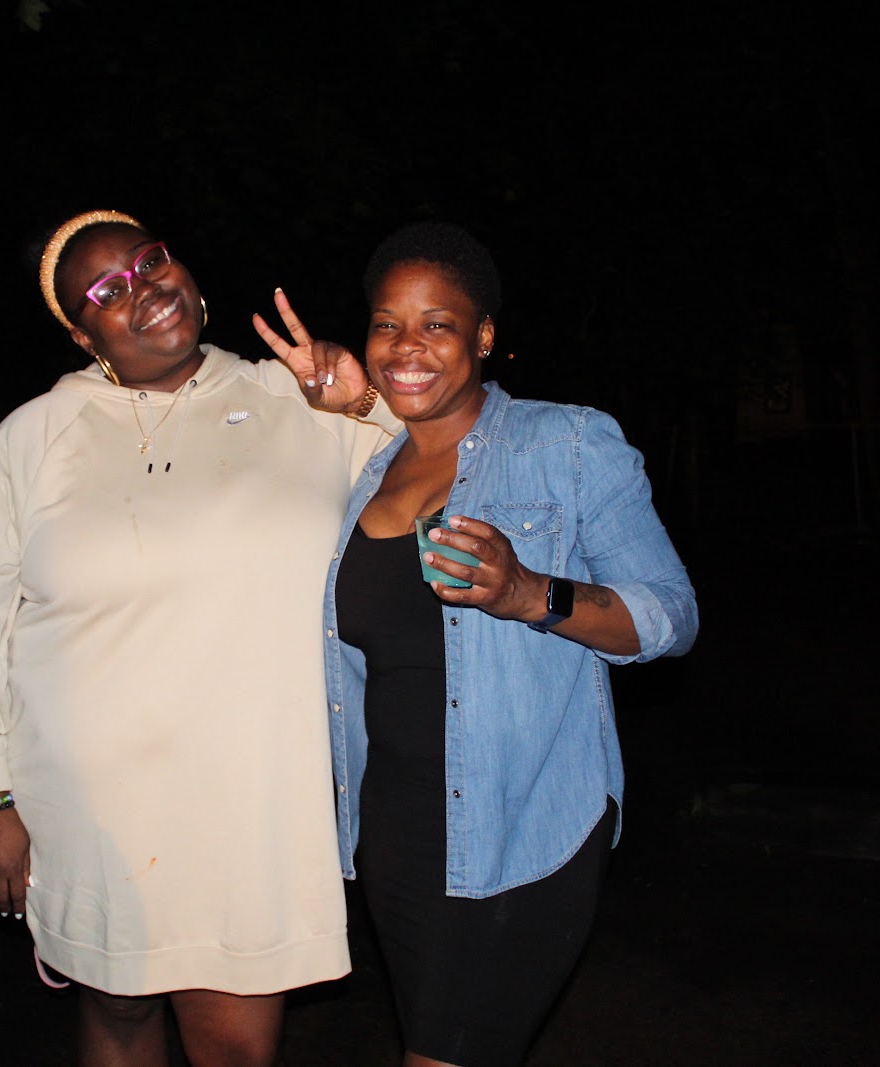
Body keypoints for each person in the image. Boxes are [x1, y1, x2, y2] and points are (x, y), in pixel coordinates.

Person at [0, 209, 398, 1066]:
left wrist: (365, 401)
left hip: (256, 797)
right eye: (106, 290)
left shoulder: (297, 397)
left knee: (236, 1045)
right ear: (82, 335)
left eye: (149, 261)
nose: (142, 289)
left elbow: (443, 473)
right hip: (93, 807)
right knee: (118, 1011)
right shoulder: (32, 439)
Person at [256, 222, 699, 1067]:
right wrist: (356, 400)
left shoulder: (567, 443)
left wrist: (531, 593)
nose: (407, 345)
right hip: (394, 834)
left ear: (484, 334)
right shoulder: (370, 471)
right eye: (387, 324)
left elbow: (673, 617)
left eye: (438, 323)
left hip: (524, 825)